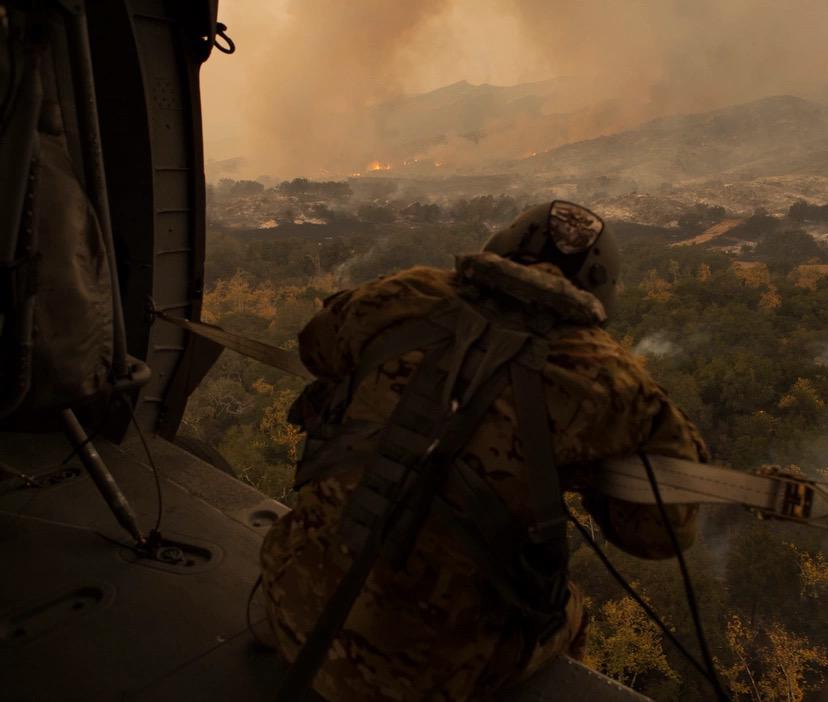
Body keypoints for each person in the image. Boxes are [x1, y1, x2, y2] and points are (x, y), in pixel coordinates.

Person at [260, 200, 709, 701]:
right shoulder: (612, 383)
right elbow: (661, 533)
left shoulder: (404, 294)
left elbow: (317, 348)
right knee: (568, 609)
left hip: (295, 609)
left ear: (501, 245)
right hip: (430, 680)